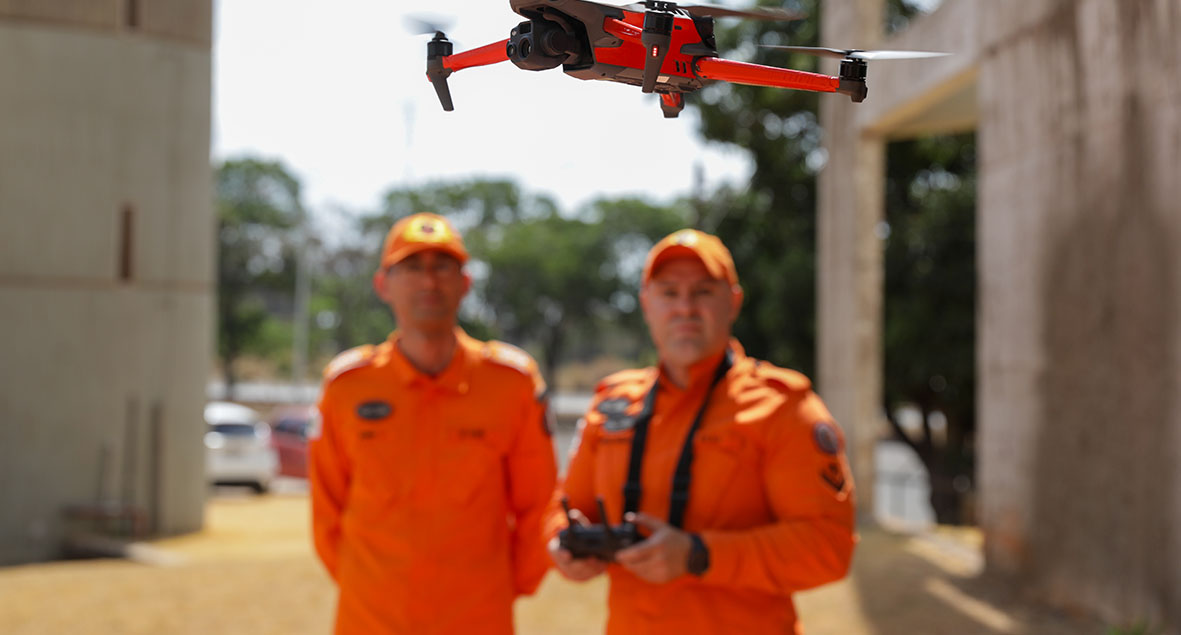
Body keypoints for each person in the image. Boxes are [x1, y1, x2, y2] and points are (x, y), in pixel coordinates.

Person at [546, 228, 856, 634]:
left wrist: (699, 554)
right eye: (669, 293)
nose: (685, 308)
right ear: (646, 305)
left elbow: (827, 548)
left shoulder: (782, 407)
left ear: (734, 302)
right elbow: (565, 505)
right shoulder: (613, 404)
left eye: (704, 292)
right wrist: (563, 544)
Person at [309, 212, 557, 635]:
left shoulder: (511, 383)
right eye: (412, 267)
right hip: (370, 618)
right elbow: (326, 512)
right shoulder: (348, 386)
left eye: (443, 266)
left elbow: (541, 505)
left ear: (465, 283)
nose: (429, 282)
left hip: (477, 618)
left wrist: (497, 589)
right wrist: (374, 587)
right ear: (382, 284)